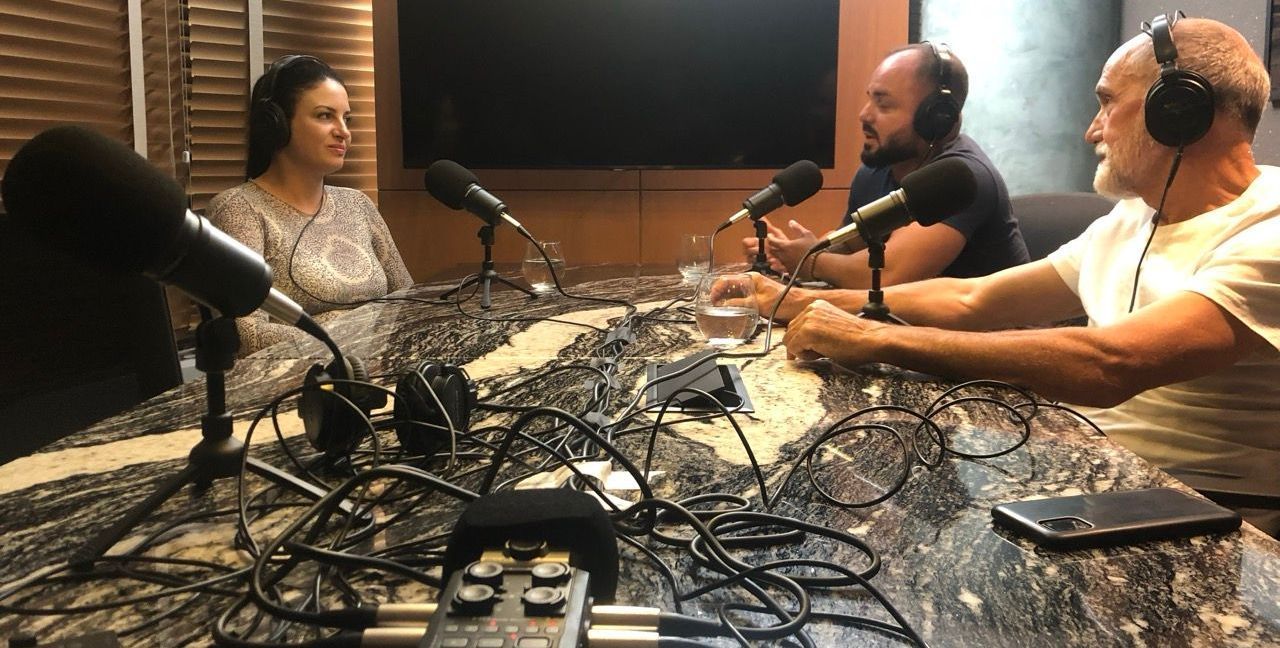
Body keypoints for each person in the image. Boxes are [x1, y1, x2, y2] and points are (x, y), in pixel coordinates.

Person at [754, 17, 1280, 535]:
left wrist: (877, 339)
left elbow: (1113, 363)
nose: (1091, 129)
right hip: (1101, 470)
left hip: (1202, 513)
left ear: (1179, 112)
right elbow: (973, 299)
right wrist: (796, 302)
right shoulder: (1135, 216)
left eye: (1107, 102)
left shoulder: (1269, 230)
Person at [742, 43, 1028, 287]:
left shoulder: (962, 180)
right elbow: (853, 245)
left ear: (937, 117)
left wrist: (811, 261)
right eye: (870, 100)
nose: (864, 115)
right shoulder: (877, 170)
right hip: (916, 335)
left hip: (994, 341)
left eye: (884, 105)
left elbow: (886, 274)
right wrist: (793, 253)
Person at [209, 55, 413, 355]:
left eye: (347, 118)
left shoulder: (358, 204)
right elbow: (245, 333)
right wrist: (352, 337)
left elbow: (409, 299)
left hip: (380, 374)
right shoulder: (239, 210)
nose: (343, 131)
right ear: (276, 124)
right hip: (300, 390)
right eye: (324, 116)